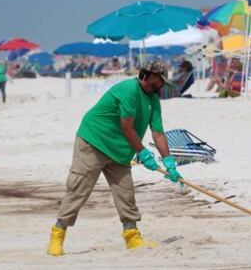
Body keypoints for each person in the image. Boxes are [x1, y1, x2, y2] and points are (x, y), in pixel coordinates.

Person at [47, 60, 182, 256]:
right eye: (161, 81)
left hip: (119, 152)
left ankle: (132, 237)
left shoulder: (153, 100)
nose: (162, 86)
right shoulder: (129, 90)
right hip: (94, 142)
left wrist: (169, 162)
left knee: (126, 194)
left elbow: (158, 133)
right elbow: (126, 127)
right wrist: (143, 153)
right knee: (79, 189)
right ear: (151, 76)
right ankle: (58, 232)